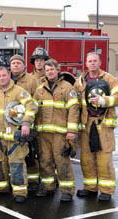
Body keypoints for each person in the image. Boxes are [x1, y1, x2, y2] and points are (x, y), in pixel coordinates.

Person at [0, 66, 37, 203]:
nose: (2, 78)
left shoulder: (19, 92)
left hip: (14, 137)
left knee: (16, 164)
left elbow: (31, 106)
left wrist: (25, 123)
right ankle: (1, 188)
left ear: (9, 74)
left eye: (4, 75)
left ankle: (20, 192)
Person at [33, 59, 79, 201]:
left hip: (60, 134)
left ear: (58, 69)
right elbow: (32, 109)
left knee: (62, 161)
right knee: (45, 161)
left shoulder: (67, 88)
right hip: (43, 134)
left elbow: (74, 110)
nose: (50, 72)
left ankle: (67, 190)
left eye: (52, 69)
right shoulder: (40, 89)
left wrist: (71, 132)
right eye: (47, 70)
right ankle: (48, 187)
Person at [74, 52, 117, 201]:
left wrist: (105, 101)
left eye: (95, 61)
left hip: (103, 123)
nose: (92, 63)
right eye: (89, 61)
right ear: (86, 63)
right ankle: (90, 188)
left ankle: (106, 191)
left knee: (104, 158)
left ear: (100, 62)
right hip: (86, 124)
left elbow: (117, 96)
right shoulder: (80, 81)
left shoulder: (110, 79)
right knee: (86, 158)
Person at [10, 54, 40, 191]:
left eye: (18, 63)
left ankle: (33, 181)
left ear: (24, 66)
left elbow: (36, 101)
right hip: (10, 125)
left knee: (30, 154)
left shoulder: (32, 80)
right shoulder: (7, 79)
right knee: (14, 154)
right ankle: (16, 180)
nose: (15, 65)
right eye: (13, 63)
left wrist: (28, 121)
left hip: (27, 124)